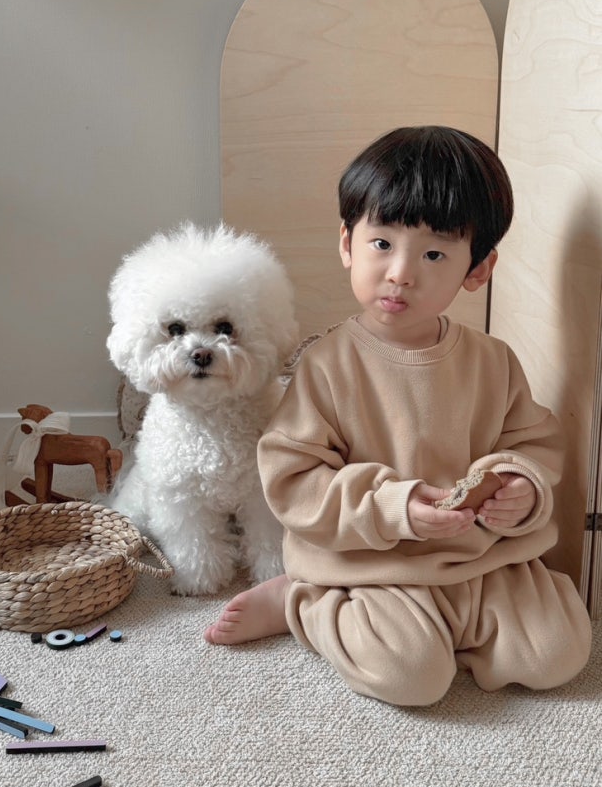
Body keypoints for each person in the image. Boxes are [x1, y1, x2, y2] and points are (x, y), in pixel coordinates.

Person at [203, 125, 592, 706]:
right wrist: (394, 506)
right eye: (382, 243)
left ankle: (450, 625)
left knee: (558, 653)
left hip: (480, 559)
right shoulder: (327, 364)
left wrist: (521, 487)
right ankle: (304, 600)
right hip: (370, 561)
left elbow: (533, 443)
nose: (401, 272)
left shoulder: (493, 360)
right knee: (412, 676)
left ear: (478, 269)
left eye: (434, 254)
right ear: (347, 244)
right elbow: (293, 478)